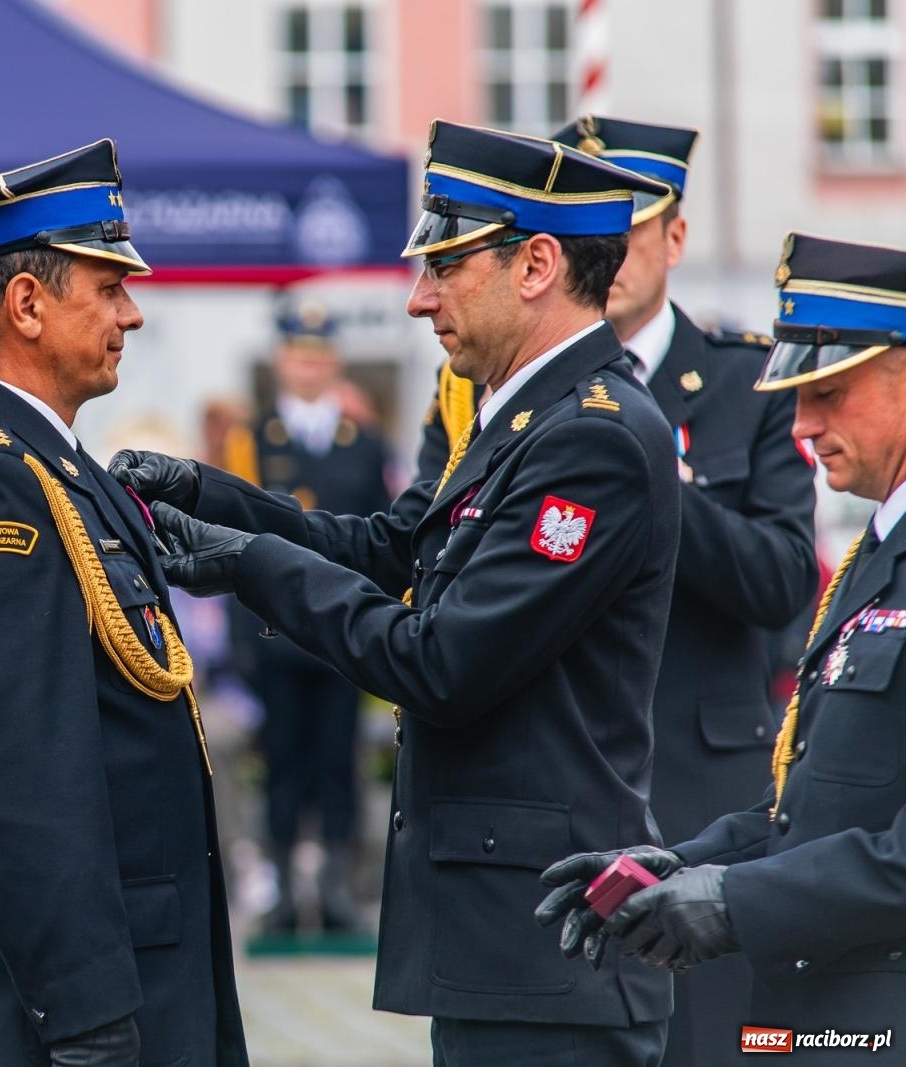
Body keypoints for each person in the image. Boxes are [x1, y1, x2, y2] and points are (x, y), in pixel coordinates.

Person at [113, 121, 678, 1064]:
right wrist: (213, 499)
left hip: (546, 943)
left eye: (445, 267)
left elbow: (442, 658)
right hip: (508, 934)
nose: (419, 299)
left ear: (535, 264)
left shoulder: (594, 439)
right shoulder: (519, 413)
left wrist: (244, 562)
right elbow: (391, 548)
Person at [0, 139, 247, 1067]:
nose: (132, 311)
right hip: (43, 1012)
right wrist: (87, 1021)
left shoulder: (46, 463)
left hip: (113, 979)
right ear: (27, 304)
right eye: (107, 284)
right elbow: (19, 776)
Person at [539, 233, 906, 1063]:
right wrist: (679, 862)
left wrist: (733, 898)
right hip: (822, 1011)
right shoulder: (876, 553)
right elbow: (813, 804)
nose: (803, 426)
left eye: (831, 393)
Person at [559, 115, 825, 1062]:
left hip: (702, 783)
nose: (611, 255)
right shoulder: (511, 396)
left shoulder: (746, 382)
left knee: (710, 1042)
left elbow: (783, 578)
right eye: (589, 231)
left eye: (631, 230)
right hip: (572, 780)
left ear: (674, 238)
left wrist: (651, 480)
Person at [231, 305, 392, 936]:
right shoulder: (254, 438)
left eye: (319, 355)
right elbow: (233, 541)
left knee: (338, 765)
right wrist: (245, 640)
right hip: (276, 634)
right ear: (280, 361)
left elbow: (382, 542)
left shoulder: (365, 441)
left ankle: (335, 891)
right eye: (299, 354)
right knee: (280, 767)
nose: (309, 366)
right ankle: (278, 892)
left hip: (342, 633)